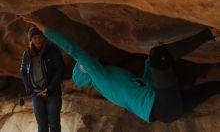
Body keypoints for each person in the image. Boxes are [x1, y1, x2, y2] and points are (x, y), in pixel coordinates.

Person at [20, 14, 220, 123]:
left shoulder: (112, 80)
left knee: (213, 87)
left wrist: (152, 59)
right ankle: (211, 32)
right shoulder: (100, 77)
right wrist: (43, 26)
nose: (90, 60)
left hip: (168, 112)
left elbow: (147, 82)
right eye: (84, 66)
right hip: (163, 106)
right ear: (86, 71)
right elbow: (74, 50)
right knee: (160, 58)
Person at [20, 26, 65, 132]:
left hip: (52, 93)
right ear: (31, 39)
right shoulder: (27, 53)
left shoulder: (52, 50)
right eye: (34, 37)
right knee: (42, 126)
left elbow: (61, 69)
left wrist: (51, 87)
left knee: (54, 125)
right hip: (36, 94)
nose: (37, 39)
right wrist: (29, 89)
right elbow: (23, 72)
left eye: (39, 36)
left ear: (44, 37)